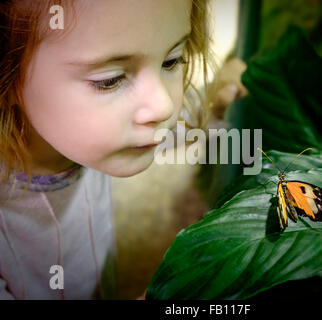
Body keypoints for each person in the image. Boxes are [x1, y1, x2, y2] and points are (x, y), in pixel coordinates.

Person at [0, 0, 247, 299]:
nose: (163, 106)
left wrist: (216, 95)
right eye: (110, 80)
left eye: (171, 61)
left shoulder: (84, 137)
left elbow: (183, 123)